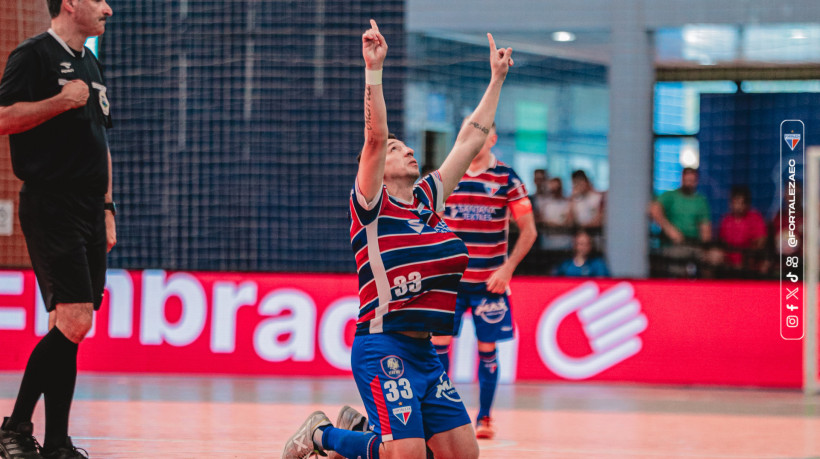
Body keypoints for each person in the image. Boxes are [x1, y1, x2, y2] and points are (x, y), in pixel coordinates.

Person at [281, 19, 512, 459]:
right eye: (395, 149)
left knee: (464, 455)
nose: (406, 150)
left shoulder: (427, 199)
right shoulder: (371, 206)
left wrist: (496, 80)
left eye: (407, 147)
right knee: (402, 455)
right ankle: (321, 436)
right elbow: (374, 137)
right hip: (383, 344)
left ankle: (360, 428)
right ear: (378, 166)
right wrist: (374, 70)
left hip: (425, 352)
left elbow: (469, 139)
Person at [0, 1, 115, 458]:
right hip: (51, 203)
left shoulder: (92, 61)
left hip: (89, 208)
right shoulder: (33, 56)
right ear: (69, 3)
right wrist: (59, 102)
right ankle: (14, 426)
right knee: (74, 320)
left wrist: (108, 206)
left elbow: (100, 141)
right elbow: (4, 117)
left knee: (70, 327)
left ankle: (56, 445)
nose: (107, 7)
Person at [430, 122, 536, 440]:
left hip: (488, 283)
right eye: (468, 132)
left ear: (493, 138)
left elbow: (529, 231)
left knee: (487, 350)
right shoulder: (447, 175)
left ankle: (485, 418)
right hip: (449, 282)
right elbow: (426, 222)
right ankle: (439, 417)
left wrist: (507, 269)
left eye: (481, 132)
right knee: (437, 348)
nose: (474, 138)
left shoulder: (506, 178)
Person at [649, 167, 711, 277]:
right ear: (682, 179)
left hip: (695, 244)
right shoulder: (670, 196)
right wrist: (669, 229)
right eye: (687, 180)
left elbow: (705, 227)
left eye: (692, 181)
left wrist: (705, 246)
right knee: (678, 261)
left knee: (712, 259)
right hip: (674, 245)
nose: (689, 183)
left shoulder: (700, 201)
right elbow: (654, 209)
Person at [718, 186, 767, 272]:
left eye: (741, 203)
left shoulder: (755, 218)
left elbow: (761, 241)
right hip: (729, 261)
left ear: (747, 204)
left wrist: (748, 257)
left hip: (749, 260)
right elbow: (722, 243)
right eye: (735, 202)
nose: (737, 206)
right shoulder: (726, 220)